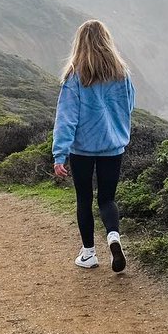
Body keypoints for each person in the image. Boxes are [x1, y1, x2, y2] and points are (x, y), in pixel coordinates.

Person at [52, 20, 135, 272]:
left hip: (82, 150)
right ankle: (113, 236)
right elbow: (129, 106)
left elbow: (66, 118)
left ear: (80, 43)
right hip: (112, 147)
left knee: (84, 199)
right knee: (107, 199)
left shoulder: (75, 76)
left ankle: (88, 254)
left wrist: (59, 154)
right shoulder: (121, 74)